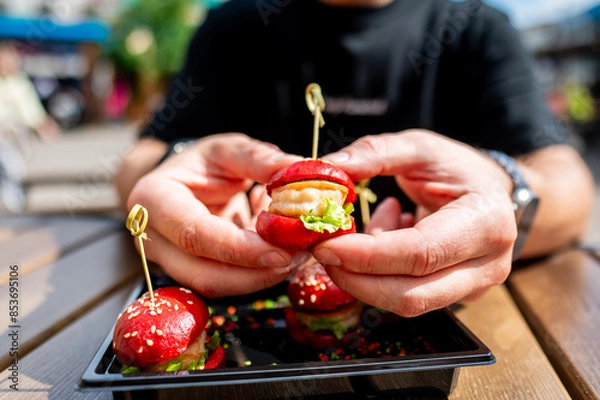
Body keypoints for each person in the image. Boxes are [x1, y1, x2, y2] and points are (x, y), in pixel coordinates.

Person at [115, 0, 595, 317]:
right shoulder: (235, 26)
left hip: (452, 322)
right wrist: (170, 178)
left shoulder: (474, 27)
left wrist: (504, 188)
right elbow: (142, 159)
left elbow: (570, 183)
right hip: (245, 320)